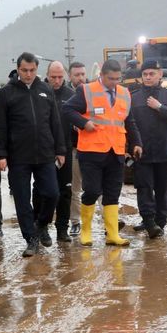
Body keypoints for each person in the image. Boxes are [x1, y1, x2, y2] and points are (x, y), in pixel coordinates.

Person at [63, 59, 142, 247]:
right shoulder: (86, 90)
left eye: (117, 78)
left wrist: (136, 143)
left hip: (116, 151)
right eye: (111, 79)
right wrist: (83, 123)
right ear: (102, 75)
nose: (115, 82)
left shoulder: (124, 93)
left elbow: (129, 122)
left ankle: (112, 234)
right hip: (91, 152)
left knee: (112, 193)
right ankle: (86, 231)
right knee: (91, 191)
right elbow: (67, 109)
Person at [0, 52, 66, 257]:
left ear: (37, 69)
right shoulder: (6, 93)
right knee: (22, 199)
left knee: (52, 193)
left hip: (45, 153)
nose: (28, 74)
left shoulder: (45, 90)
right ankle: (31, 239)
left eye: (32, 70)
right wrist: (0, 154)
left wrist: (60, 149)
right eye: (24, 70)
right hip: (18, 156)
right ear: (18, 69)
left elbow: (55, 122)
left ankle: (41, 224)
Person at [130, 59, 167, 238]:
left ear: (160, 74)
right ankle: (149, 222)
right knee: (144, 188)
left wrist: (160, 107)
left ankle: (160, 222)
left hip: (165, 152)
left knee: (164, 189)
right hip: (143, 152)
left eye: (151, 73)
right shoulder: (134, 97)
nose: (148, 77)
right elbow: (129, 124)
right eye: (145, 74)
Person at [33, 61, 76, 243]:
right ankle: (41, 226)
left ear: (65, 76)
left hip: (65, 150)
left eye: (60, 77)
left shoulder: (71, 95)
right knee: (42, 190)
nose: (57, 81)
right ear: (47, 75)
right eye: (53, 77)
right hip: (42, 151)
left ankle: (62, 229)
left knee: (65, 191)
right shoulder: (38, 92)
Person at [67, 61, 88, 236]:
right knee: (75, 188)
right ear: (70, 76)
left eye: (82, 74)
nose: (80, 78)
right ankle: (75, 222)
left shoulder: (93, 93)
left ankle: (109, 222)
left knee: (99, 187)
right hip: (73, 148)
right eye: (76, 75)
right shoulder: (66, 96)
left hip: (93, 148)